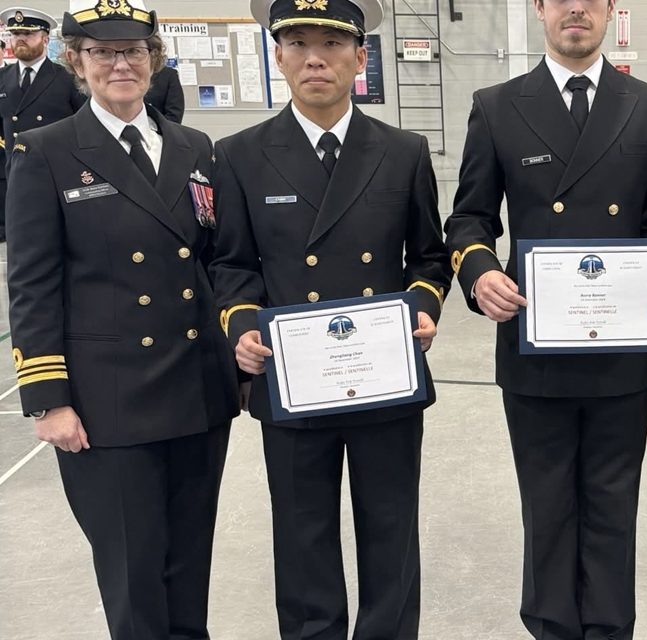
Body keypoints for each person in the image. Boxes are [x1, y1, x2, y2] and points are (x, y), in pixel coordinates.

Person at [443, 0, 647, 635]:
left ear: (610, 10)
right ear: (539, 8)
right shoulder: (497, 105)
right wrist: (480, 271)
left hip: (621, 344)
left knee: (614, 503)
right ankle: (551, 627)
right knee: (547, 504)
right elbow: (470, 216)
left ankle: (609, 629)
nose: (575, 8)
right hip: (535, 344)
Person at [210, 0, 450, 636]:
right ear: (278, 56)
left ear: (361, 57)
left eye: (333, 44)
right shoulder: (238, 155)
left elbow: (428, 257)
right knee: (302, 534)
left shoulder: (402, 151)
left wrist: (423, 308)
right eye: (298, 44)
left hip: (385, 376)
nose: (315, 59)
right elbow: (231, 263)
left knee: (391, 530)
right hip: (293, 378)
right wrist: (242, 325)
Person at [5, 1, 241, 637]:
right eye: (103, 53)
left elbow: (214, 263)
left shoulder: (195, 148)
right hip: (107, 400)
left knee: (189, 566)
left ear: (154, 60)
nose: (120, 64)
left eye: (133, 51)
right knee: (135, 576)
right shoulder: (46, 151)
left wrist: (239, 360)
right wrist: (49, 398)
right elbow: (32, 284)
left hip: (195, 390)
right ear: (77, 62)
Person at [0, 6, 87, 241]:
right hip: (14, 172)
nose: (20, 39)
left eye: (28, 34)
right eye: (15, 34)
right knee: (21, 239)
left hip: (58, 171)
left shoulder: (68, 78)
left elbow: (85, 124)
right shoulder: (2, 78)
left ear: (45, 39)